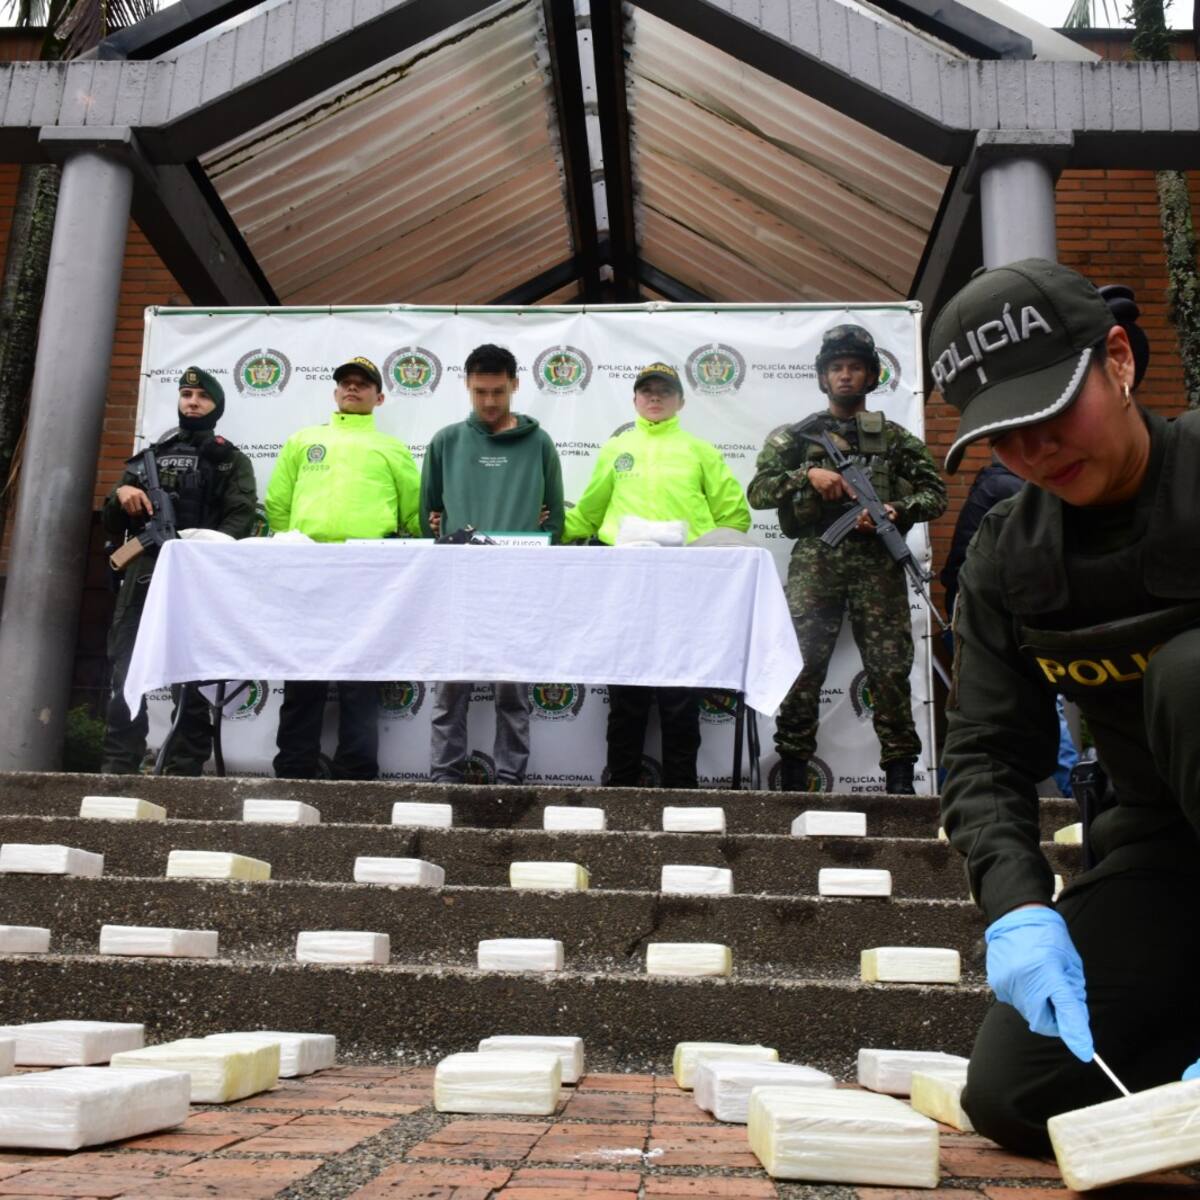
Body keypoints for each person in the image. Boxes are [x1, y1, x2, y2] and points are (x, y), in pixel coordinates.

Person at [932, 258, 1200, 1154]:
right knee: (1018, 1095)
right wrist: (1016, 907)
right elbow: (983, 752)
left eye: (1052, 410)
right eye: (1006, 435)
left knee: (1187, 673)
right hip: (1165, 845)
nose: (1037, 450)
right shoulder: (1012, 558)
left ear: (1118, 359)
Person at [748, 325, 947, 794]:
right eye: (836, 368)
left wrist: (896, 511)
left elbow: (934, 495)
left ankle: (900, 774)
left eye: (854, 367)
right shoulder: (795, 438)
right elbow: (758, 492)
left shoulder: (895, 439)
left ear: (871, 376)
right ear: (823, 377)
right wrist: (807, 474)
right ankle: (793, 767)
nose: (844, 376)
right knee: (802, 665)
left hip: (877, 562)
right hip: (818, 557)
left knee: (889, 668)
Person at [565, 362, 751, 788]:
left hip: (684, 587)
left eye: (663, 392)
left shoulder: (700, 450)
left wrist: (705, 553)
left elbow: (734, 516)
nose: (654, 398)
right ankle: (621, 789)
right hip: (625, 585)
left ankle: (683, 792)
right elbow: (589, 513)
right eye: (646, 391)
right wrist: (542, 530)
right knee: (626, 694)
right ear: (634, 399)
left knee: (680, 695)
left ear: (680, 402)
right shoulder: (616, 449)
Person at [264, 356, 420, 780]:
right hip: (308, 568)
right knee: (302, 672)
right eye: (346, 384)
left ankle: (357, 770)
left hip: (368, 572)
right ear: (335, 392)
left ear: (379, 397)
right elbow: (278, 505)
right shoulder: (303, 440)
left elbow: (414, 514)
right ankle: (294, 766)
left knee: (361, 676)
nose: (353, 389)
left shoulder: (392, 448)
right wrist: (296, 547)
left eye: (362, 385)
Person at [420, 343, 564, 786]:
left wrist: (533, 538)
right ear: (466, 385)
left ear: (515, 385)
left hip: (517, 586)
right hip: (458, 585)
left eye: (498, 391)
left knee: (513, 694)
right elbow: (428, 516)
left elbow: (555, 520)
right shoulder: (446, 440)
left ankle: (510, 782)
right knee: (449, 694)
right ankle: (444, 779)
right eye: (480, 391)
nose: (489, 401)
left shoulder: (539, 442)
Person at [101, 367, 257, 774]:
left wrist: (201, 553)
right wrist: (122, 494)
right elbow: (111, 523)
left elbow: (240, 520)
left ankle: (183, 769)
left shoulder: (230, 461)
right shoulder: (148, 458)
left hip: (198, 577)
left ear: (216, 406)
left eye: (201, 396)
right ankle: (117, 766)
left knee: (193, 676)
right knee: (126, 669)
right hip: (145, 574)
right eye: (186, 394)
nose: (192, 401)